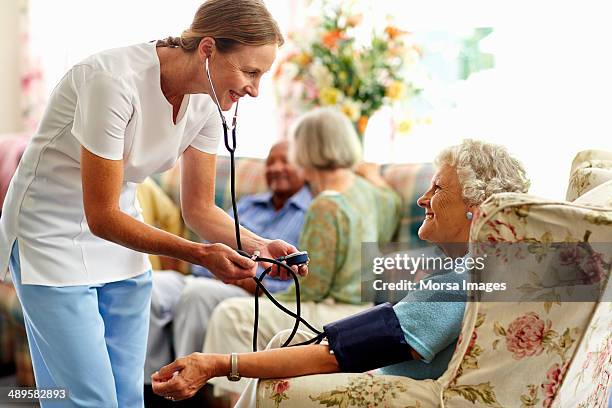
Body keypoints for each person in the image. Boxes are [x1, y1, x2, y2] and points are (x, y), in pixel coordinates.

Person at [0, 1, 305, 406]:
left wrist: (259, 246)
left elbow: (199, 210)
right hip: (50, 234)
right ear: (208, 48)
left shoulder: (210, 102)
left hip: (123, 240)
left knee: (128, 396)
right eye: (250, 71)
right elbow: (101, 215)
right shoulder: (109, 81)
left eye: (262, 75)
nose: (255, 89)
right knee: (87, 400)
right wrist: (200, 254)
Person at [151, 139, 530, 404]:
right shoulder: (475, 271)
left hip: (390, 393)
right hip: (382, 374)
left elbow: (335, 354)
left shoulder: (461, 283)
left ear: (477, 206)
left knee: (285, 348)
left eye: (438, 187)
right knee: (285, 336)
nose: (422, 199)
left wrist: (217, 363)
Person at [160, 107, 402, 401]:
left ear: (306, 150)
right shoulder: (375, 193)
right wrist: (372, 174)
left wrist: (260, 292)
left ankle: (235, 403)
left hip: (334, 307)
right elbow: (392, 203)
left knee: (231, 314)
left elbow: (311, 288)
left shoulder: (326, 205)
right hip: (361, 306)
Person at [144, 141, 311, 383]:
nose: (276, 167)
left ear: (306, 167)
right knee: (152, 286)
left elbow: (295, 281)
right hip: (208, 275)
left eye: (285, 161)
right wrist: (212, 266)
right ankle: (152, 385)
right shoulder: (248, 204)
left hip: (251, 291)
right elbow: (205, 250)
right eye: (271, 162)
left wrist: (247, 280)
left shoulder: (311, 212)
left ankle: (187, 386)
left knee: (196, 295)